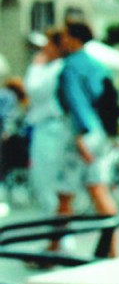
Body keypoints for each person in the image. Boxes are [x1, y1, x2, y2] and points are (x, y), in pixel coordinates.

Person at [55, 19, 119, 252]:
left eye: (64, 36)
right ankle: (113, 249)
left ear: (73, 38)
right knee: (98, 187)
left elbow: (75, 101)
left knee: (66, 194)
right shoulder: (98, 66)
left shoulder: (71, 66)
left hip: (81, 133)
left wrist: (80, 134)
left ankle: (54, 247)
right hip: (99, 131)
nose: (61, 40)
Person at [23, 29, 68, 211]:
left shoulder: (55, 68)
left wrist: (35, 67)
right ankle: (58, 234)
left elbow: (35, 90)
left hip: (50, 127)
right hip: (50, 126)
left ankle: (58, 233)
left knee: (45, 180)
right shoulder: (58, 67)